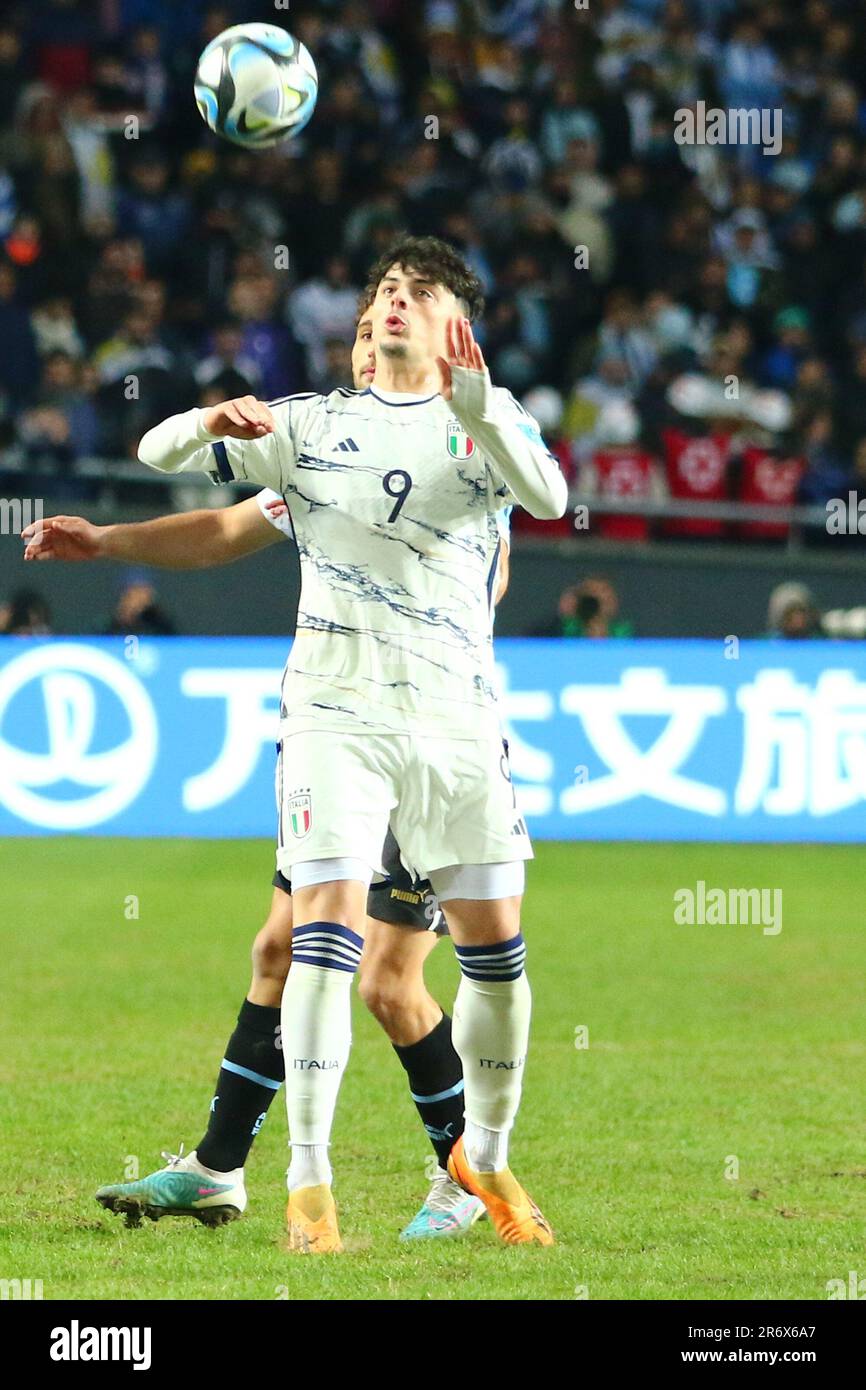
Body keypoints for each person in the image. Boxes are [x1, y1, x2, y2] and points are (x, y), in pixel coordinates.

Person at [22, 302, 510, 1243]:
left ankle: (465, 1177)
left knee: (388, 980)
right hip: (337, 732)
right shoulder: (325, 457)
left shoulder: (468, 455)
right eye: (361, 332)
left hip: (424, 737)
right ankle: (217, 1169)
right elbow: (220, 529)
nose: (370, 347)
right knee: (279, 949)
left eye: (388, 332)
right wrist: (110, 543)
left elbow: (487, 572)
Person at [134, 234, 566, 1252]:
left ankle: (471, 1165)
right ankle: (278, 1182)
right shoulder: (316, 436)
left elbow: (539, 507)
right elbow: (184, 482)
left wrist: (478, 412)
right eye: (380, 292)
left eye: (415, 294)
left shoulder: (486, 433)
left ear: (453, 324)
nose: (389, 307)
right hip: (336, 721)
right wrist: (205, 422)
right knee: (311, 949)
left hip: (450, 729)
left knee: (423, 971)